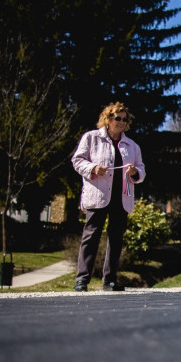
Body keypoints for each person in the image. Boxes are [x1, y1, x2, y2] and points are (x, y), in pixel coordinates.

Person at [71, 102, 146, 291]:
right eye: (117, 118)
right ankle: (82, 279)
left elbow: (141, 169)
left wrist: (135, 172)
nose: (121, 122)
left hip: (121, 198)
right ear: (108, 118)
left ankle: (110, 280)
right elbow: (77, 160)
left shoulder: (132, 146)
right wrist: (93, 168)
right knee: (91, 235)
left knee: (116, 238)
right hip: (98, 195)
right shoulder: (92, 138)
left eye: (124, 119)